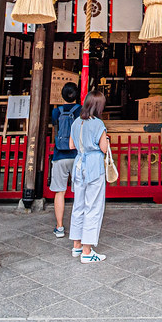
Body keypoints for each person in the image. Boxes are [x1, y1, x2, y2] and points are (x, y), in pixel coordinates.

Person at [69, 89, 110, 262]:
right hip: (93, 166)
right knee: (93, 207)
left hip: (79, 165)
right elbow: (103, 149)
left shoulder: (76, 122)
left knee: (78, 205)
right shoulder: (98, 124)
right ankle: (87, 251)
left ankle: (76, 245)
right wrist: (106, 140)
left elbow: (71, 145)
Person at [49, 82, 81, 238]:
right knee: (79, 191)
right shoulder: (81, 110)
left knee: (60, 192)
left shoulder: (56, 111)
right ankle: (78, 226)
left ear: (62, 95)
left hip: (59, 155)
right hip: (77, 155)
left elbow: (55, 128)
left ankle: (60, 227)